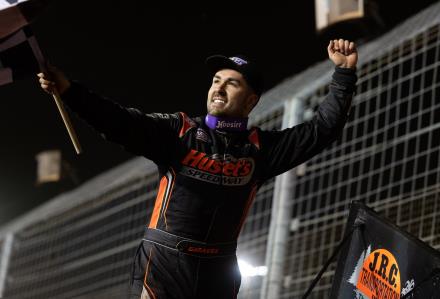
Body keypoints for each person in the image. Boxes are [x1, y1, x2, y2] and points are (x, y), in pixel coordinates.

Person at [38, 39, 358, 299]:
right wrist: (70, 91)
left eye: (231, 84)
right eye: (216, 81)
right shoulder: (179, 132)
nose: (218, 88)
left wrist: (343, 75)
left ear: (250, 102)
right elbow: (119, 122)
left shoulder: (262, 149)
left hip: (219, 272)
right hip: (162, 264)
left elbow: (321, 131)